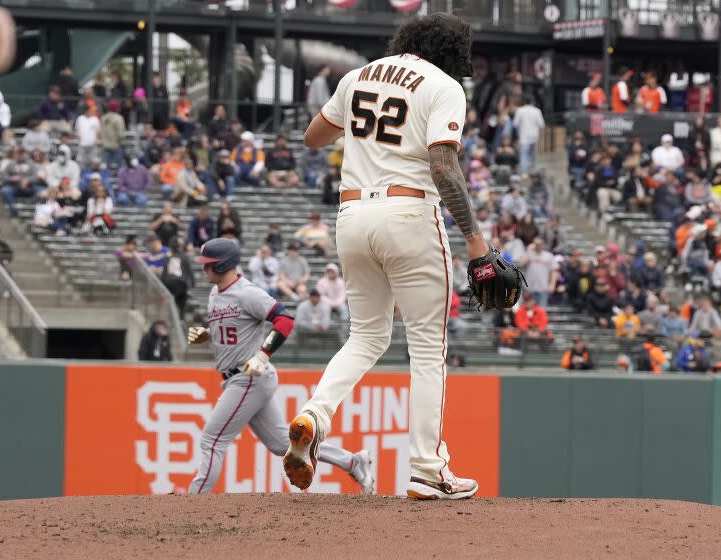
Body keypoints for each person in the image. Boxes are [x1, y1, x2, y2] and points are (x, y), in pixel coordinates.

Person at [283, 13, 497, 500]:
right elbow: (443, 166)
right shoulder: (443, 85)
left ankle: (314, 414)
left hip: (353, 215)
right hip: (409, 213)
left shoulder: (358, 74)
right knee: (426, 347)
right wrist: (476, 238)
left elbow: (313, 137)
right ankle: (427, 469)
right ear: (453, 51)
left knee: (366, 336)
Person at [185, 238, 373, 495]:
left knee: (212, 440)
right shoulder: (215, 293)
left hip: (248, 375)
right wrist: (209, 334)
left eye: (208, 265)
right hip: (239, 377)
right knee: (279, 442)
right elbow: (236, 329)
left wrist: (263, 354)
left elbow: (284, 319)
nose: (204, 269)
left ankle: (193, 501)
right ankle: (352, 462)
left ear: (223, 265)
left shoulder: (247, 292)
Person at [0, 145, 41, 215]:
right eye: (19, 153)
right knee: (5, 190)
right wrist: (12, 178)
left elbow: (36, 177)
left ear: (25, 154)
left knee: (41, 190)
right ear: (17, 154)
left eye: (23, 153)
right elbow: (3, 177)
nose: (21, 155)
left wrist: (28, 180)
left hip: (29, 187)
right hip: (15, 187)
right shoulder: (11, 163)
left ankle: (32, 208)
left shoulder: (31, 163)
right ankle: (13, 209)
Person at [513, 95, 544, 174]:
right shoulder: (537, 111)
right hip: (534, 135)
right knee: (532, 153)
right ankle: (533, 170)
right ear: (532, 102)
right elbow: (541, 124)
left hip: (524, 135)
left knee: (524, 154)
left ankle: (524, 172)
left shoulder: (520, 110)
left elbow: (515, 124)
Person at [520, 237, 552, 308]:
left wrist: (552, 284)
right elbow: (522, 263)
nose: (538, 246)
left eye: (539, 244)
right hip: (529, 288)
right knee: (528, 311)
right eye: (536, 244)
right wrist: (529, 250)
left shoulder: (548, 256)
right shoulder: (529, 254)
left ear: (543, 244)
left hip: (543, 288)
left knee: (541, 311)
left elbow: (553, 271)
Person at [101, 99, 126, 171]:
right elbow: (121, 134)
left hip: (105, 146)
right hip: (116, 146)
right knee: (120, 169)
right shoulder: (118, 118)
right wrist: (122, 142)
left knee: (107, 169)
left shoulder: (103, 117)